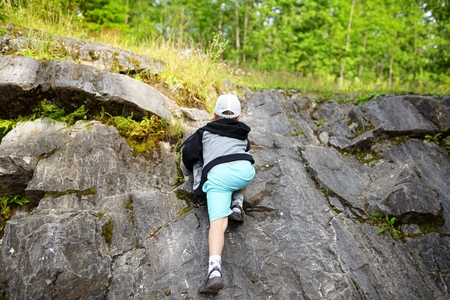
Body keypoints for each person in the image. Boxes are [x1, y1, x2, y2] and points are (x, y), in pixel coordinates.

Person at [180, 94, 255, 294]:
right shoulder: (243, 132)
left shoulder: (204, 132)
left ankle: (214, 272)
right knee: (242, 163)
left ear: (213, 114)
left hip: (219, 177)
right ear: (239, 117)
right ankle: (237, 203)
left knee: (218, 224)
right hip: (245, 172)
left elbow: (189, 155)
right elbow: (244, 150)